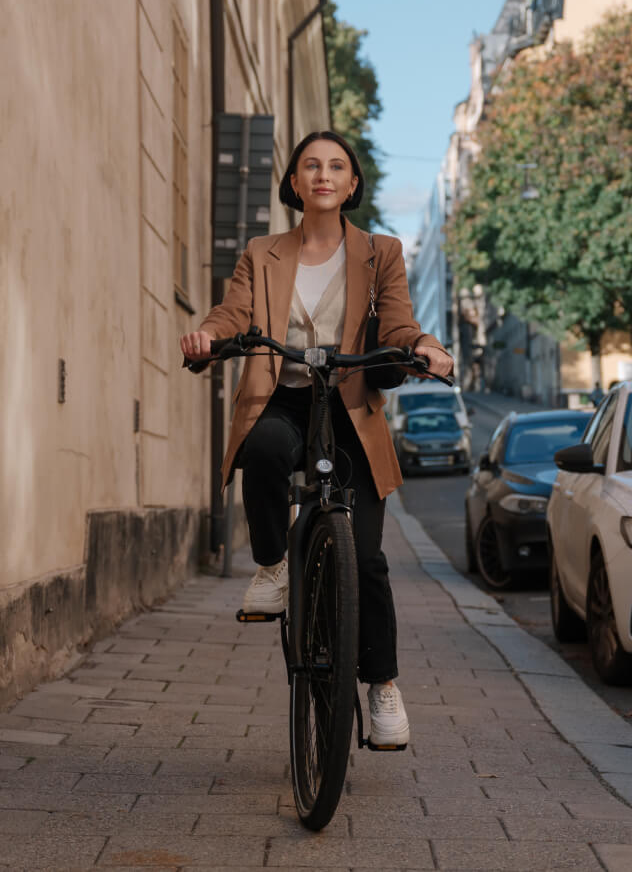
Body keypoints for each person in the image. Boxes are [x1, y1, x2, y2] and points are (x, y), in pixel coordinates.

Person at [180, 130, 453, 748]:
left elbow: (402, 321)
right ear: (295, 183)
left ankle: (381, 686)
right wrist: (206, 333)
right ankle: (274, 567)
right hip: (283, 394)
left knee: (371, 558)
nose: (323, 175)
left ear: (352, 184)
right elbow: (234, 314)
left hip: (350, 405)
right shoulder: (263, 252)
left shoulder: (380, 252)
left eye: (336, 166)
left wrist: (426, 347)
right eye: (311, 165)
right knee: (267, 450)